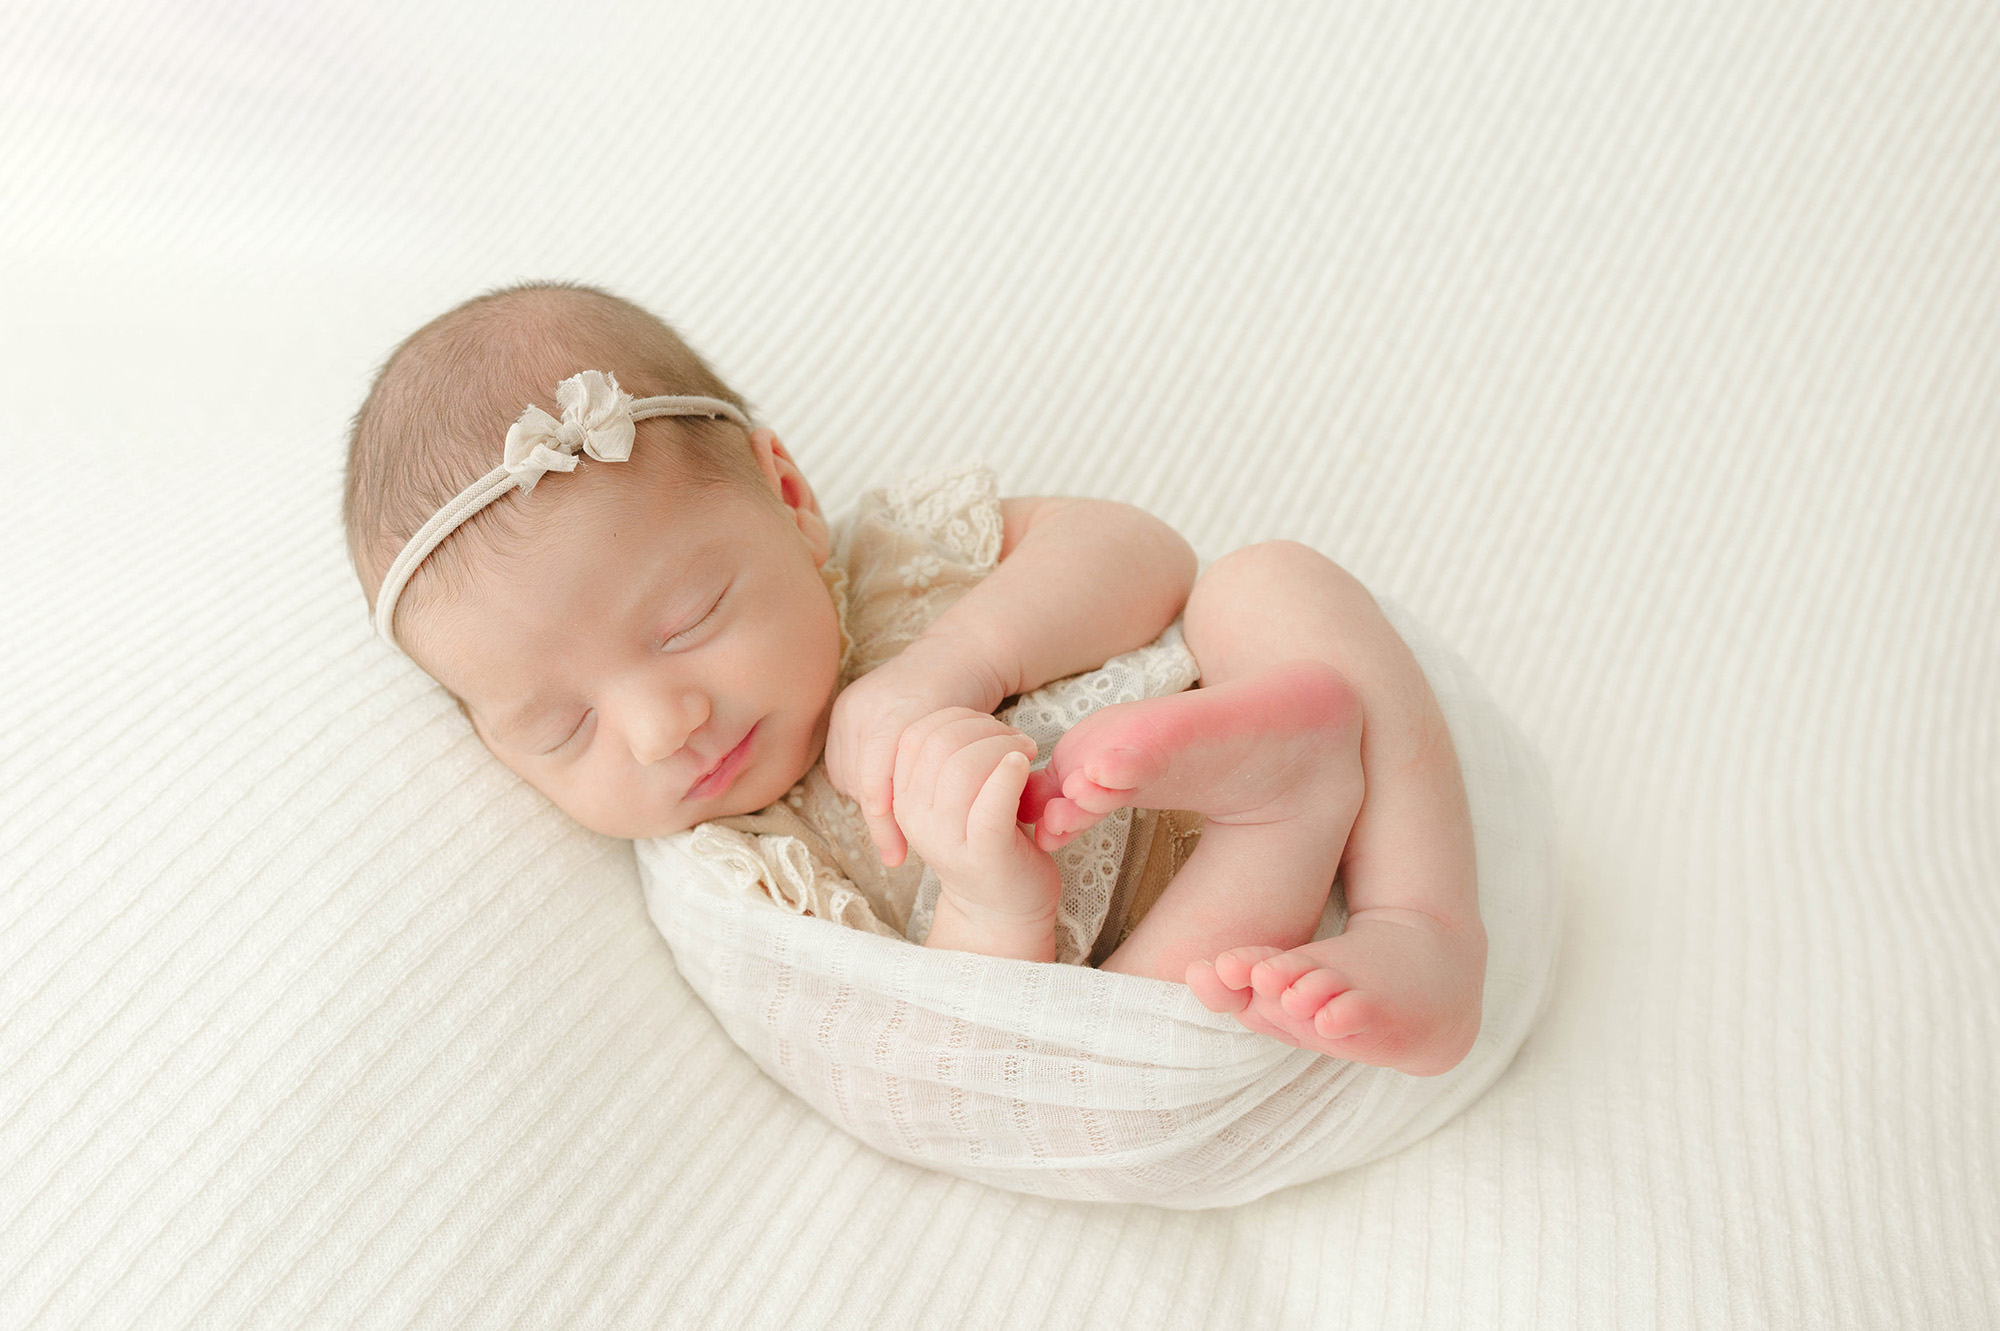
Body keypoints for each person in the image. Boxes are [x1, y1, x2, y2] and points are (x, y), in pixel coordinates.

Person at [343, 280, 1486, 1075]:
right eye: (560, 724)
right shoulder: (746, 876)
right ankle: (1285, 804)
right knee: (1120, 1037)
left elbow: (1143, 556)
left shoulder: (888, 555)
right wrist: (995, 896)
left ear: (786, 498)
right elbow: (953, 1061)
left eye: (689, 618)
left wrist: (950, 665)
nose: (658, 727)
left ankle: (1418, 922)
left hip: (1202, 717)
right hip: (1169, 949)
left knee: (1271, 582)